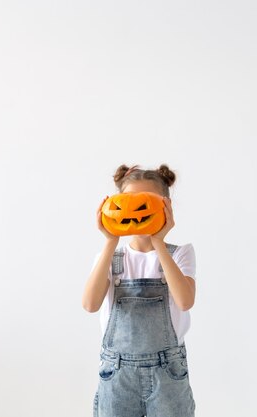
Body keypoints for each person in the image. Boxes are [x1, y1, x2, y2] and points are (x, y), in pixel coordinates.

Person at [82, 164, 196, 417]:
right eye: (126, 202)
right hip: (117, 373)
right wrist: (110, 241)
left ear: (166, 205)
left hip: (168, 373)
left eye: (143, 203)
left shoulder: (179, 254)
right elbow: (90, 304)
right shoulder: (110, 259)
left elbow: (185, 300)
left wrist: (159, 242)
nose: (134, 210)